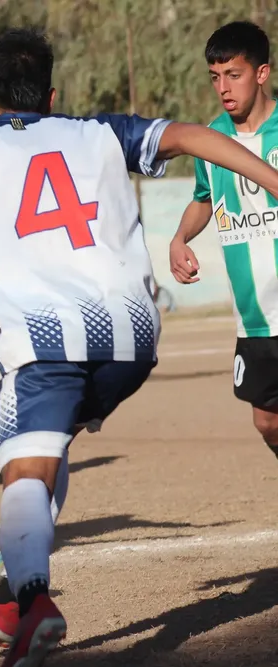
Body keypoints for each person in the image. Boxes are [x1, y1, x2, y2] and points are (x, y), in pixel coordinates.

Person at [0, 27, 278, 667]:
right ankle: (6, 599)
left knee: (25, 467)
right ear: (50, 94)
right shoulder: (100, 131)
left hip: (44, 342)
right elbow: (189, 136)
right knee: (52, 445)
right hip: (133, 337)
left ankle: (32, 602)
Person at [170, 22, 278, 460]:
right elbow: (202, 199)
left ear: (262, 73)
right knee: (267, 421)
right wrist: (179, 238)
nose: (223, 87)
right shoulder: (210, 140)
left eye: (233, 74)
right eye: (215, 77)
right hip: (253, 316)